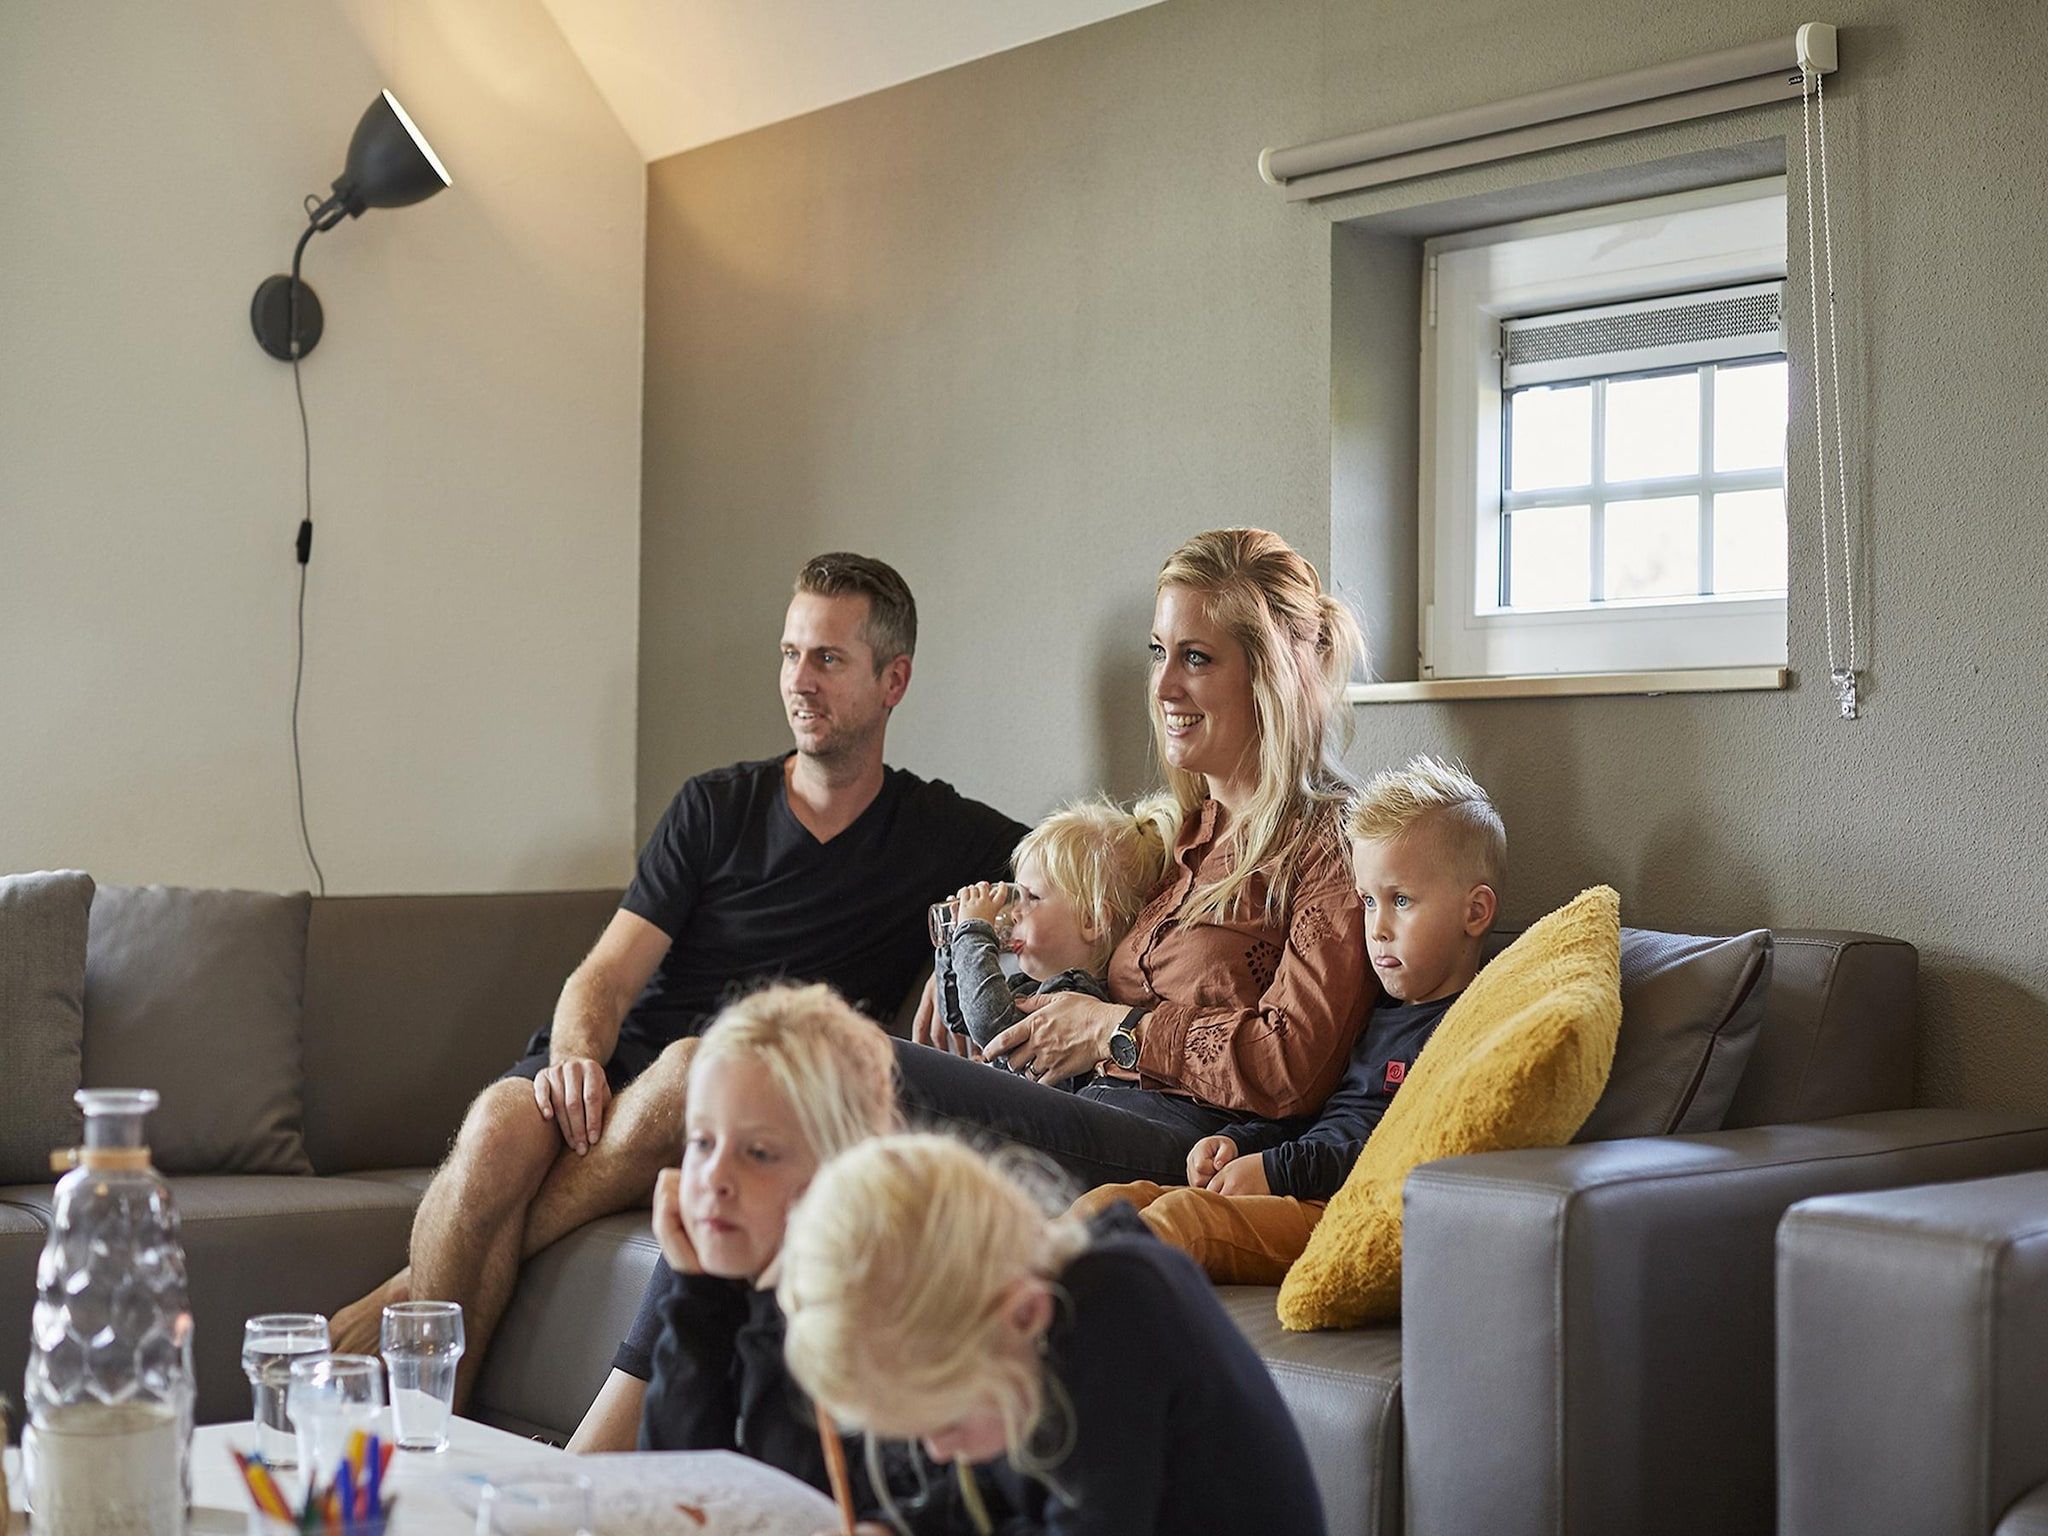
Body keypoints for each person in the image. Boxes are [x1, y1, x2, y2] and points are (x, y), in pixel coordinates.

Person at [329, 553, 1026, 1409]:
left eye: (827, 659)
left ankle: (406, 1292)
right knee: (497, 1126)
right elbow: (605, 975)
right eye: (789, 653)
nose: (798, 681)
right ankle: (426, 1434)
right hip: (622, 1072)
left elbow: (1083, 875)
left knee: (705, 1064)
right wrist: (579, 1055)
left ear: (895, 680)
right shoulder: (714, 806)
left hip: (722, 1091)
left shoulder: (945, 837)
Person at [899, 528, 1372, 1189]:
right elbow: (1053, 901)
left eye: (1197, 658)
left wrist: (1114, 1031)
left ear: (1271, 676)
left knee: (856, 1064)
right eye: (1159, 652)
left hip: (1193, 1144)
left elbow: (1292, 1064)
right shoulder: (1174, 832)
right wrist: (958, 953)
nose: (1164, 686)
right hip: (1091, 1105)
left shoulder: (1334, 843)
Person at [1074, 757, 1504, 1284]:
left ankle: (1065, 1309)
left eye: (1402, 901)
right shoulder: (1379, 1016)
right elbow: (1320, 1117)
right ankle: (1009, 1306)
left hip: (1343, 1212)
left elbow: (1407, 1152)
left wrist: (1277, 1171)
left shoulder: (1469, 1025)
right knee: (1120, 1199)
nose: (1378, 928)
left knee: (1186, 1219)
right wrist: (1246, 1143)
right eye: (1368, 901)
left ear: (1476, 911)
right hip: (1302, 1186)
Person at [778, 1133, 1330, 1536]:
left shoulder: (1118, 1320)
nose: (938, 1452)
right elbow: (995, 1491)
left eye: (943, 1422)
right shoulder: (1014, 1336)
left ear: (1021, 1315)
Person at [635, 982, 903, 1505]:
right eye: (702, 1142)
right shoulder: (727, 1285)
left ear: (839, 1171)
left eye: (758, 1153)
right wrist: (697, 1291)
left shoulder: (862, 1323)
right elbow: (676, 1494)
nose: (714, 1177)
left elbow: (778, 1503)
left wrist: (776, 1294)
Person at [934, 798, 1174, 1070]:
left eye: (1032, 897)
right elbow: (958, 1017)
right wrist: (952, 938)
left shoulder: (1076, 994)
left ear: (1091, 920)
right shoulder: (1029, 983)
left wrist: (973, 932)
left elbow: (990, 1026)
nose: (1014, 912)